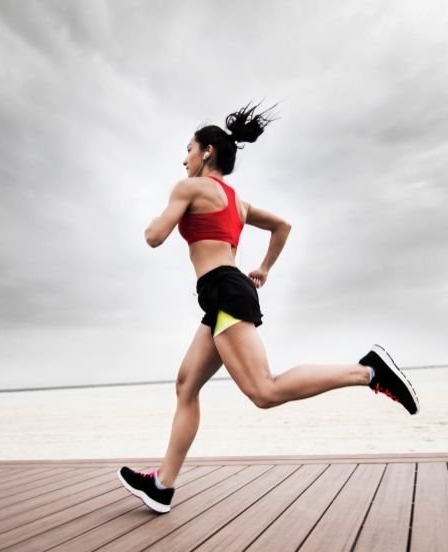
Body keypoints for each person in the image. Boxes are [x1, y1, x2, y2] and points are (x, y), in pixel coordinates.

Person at [118, 103, 419, 513]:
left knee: (264, 390)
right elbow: (283, 226)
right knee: (186, 385)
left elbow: (154, 236)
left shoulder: (189, 188)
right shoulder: (238, 203)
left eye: (188, 150)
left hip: (224, 290)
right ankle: (162, 485)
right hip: (224, 292)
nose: (184, 159)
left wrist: (155, 221)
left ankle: (368, 371)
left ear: (207, 152)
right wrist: (264, 268)